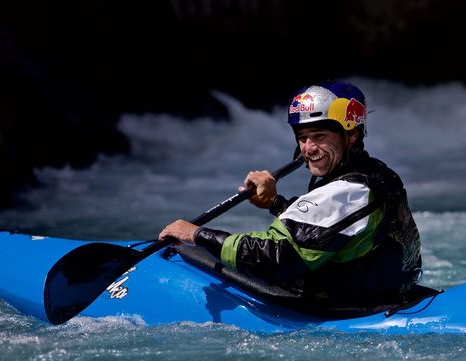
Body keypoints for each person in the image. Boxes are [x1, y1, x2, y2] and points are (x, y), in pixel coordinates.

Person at [159, 80, 422, 307]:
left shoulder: (349, 191)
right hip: (382, 294)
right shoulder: (375, 172)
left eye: (319, 136)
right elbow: (328, 232)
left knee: (197, 255)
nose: (308, 149)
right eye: (302, 137)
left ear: (351, 135)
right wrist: (275, 203)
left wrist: (197, 235)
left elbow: (273, 259)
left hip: (345, 307)